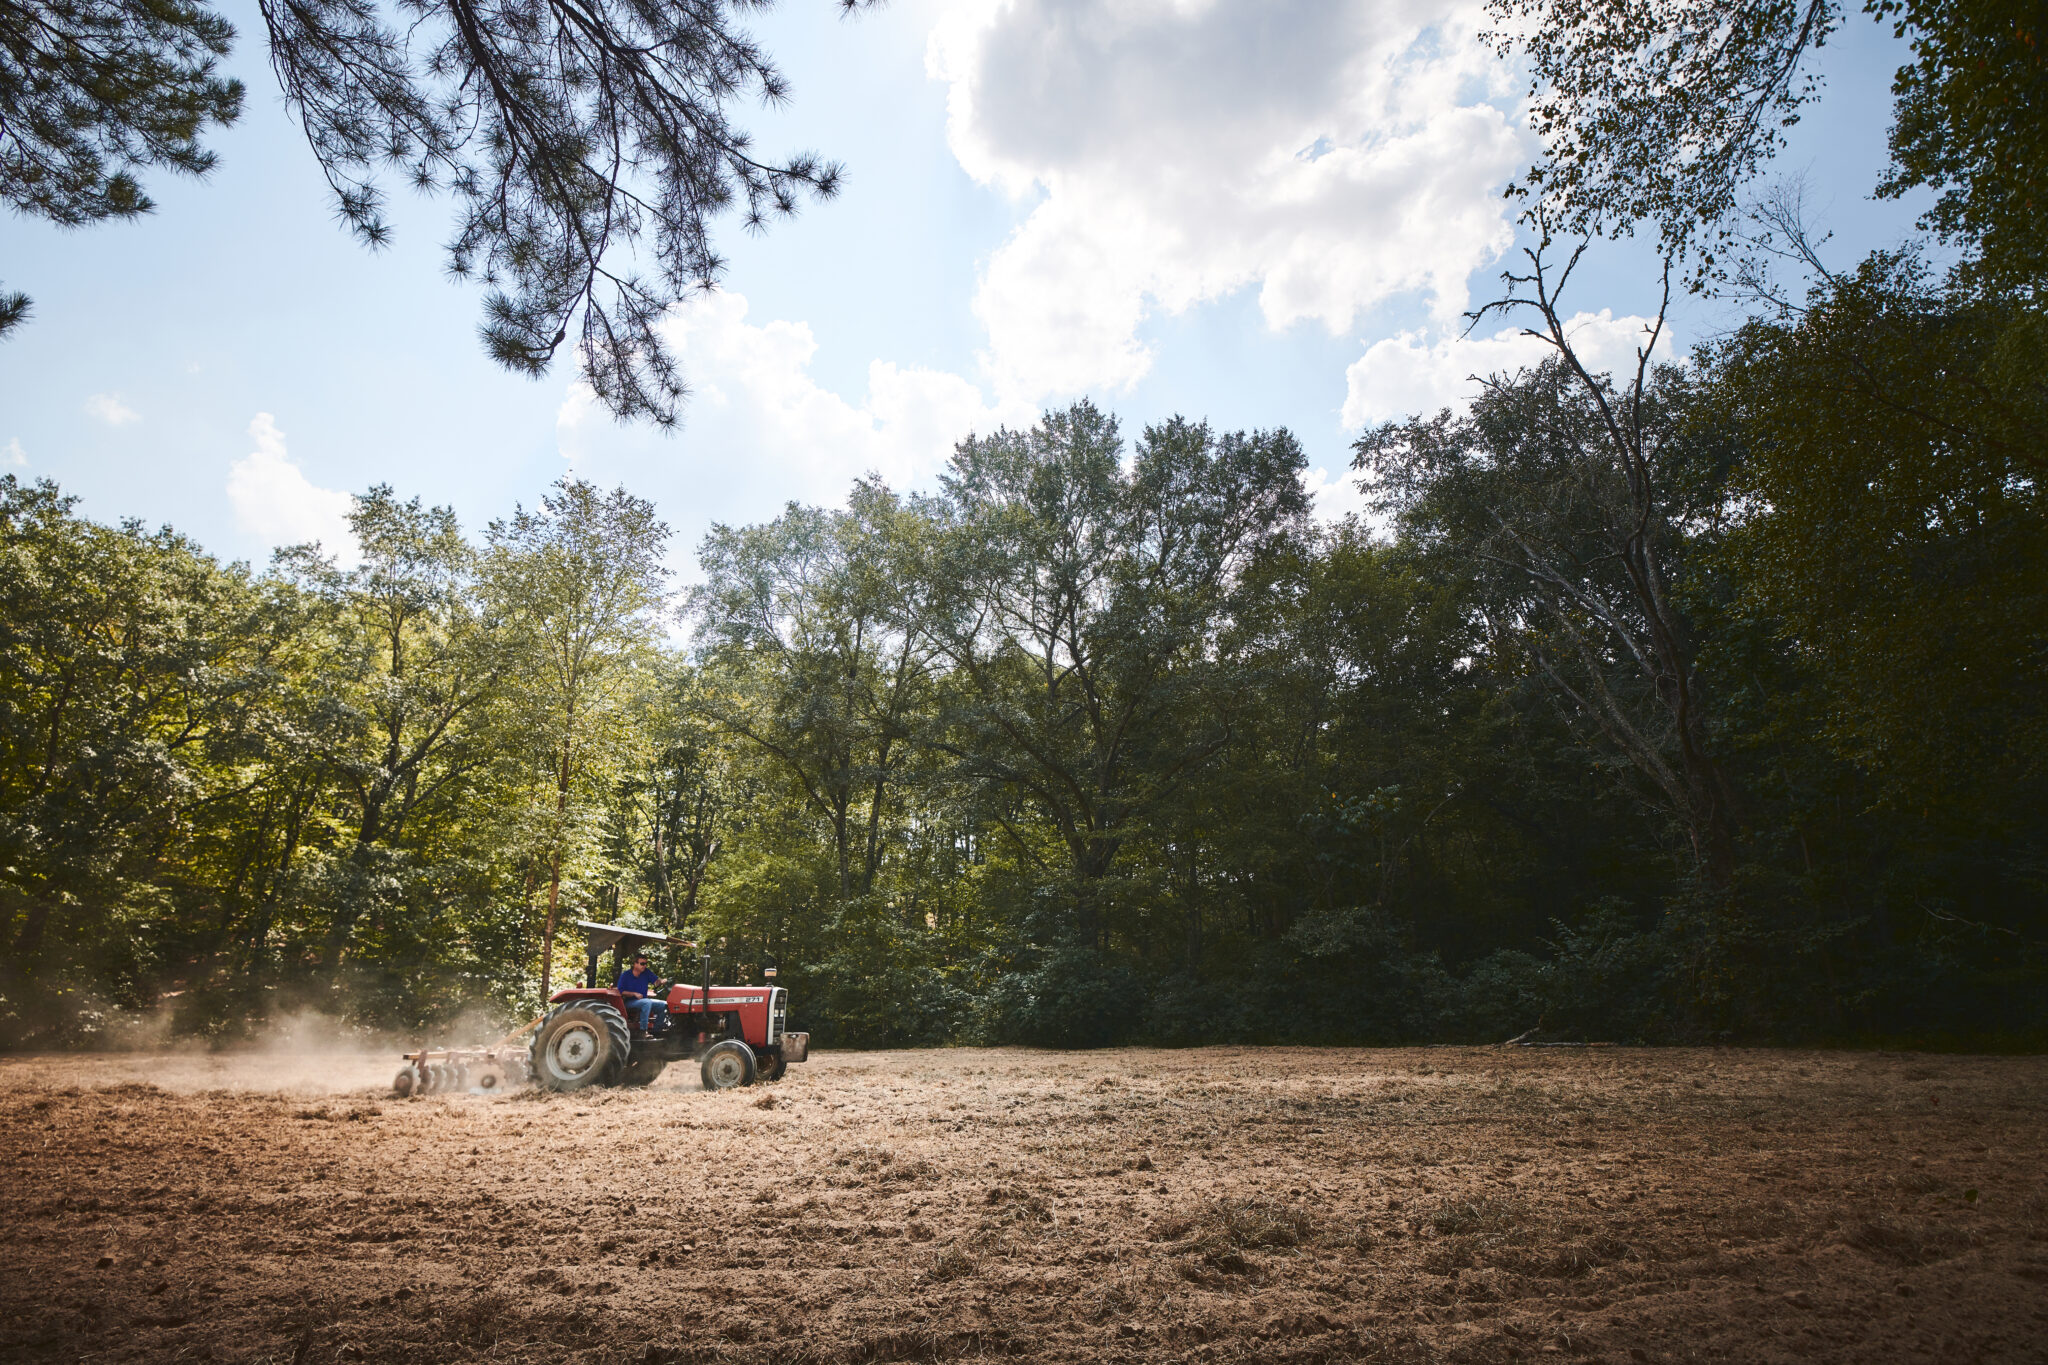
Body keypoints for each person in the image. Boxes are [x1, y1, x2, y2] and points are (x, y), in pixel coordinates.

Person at [615, 953, 667, 1033]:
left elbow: (656, 983)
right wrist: (634, 994)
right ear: (635, 964)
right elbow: (621, 991)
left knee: (664, 1005)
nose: (644, 966)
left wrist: (662, 981)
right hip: (629, 1002)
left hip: (644, 1000)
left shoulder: (646, 972)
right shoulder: (625, 975)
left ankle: (657, 1030)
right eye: (642, 963)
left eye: (646, 964)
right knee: (647, 1002)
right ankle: (643, 1031)